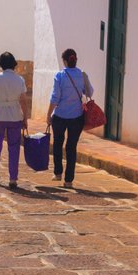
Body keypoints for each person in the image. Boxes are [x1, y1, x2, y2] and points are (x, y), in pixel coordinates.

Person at [0, 51, 29, 189]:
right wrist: (25, 118)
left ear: (1, 64)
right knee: (14, 147)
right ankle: (13, 178)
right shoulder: (19, 80)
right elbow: (23, 101)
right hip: (15, 116)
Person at [45, 48, 92, 188]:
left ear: (64, 61)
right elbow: (89, 92)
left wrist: (48, 114)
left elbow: (55, 97)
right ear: (75, 60)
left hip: (60, 116)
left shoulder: (60, 76)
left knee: (58, 144)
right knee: (71, 147)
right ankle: (69, 180)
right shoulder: (82, 74)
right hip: (77, 117)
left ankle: (58, 172)